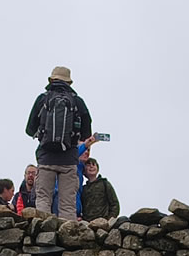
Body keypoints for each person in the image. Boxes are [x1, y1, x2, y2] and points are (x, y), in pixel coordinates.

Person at [24, 66, 93, 219]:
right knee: (68, 203)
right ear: (69, 82)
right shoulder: (77, 101)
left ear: (52, 80)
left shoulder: (42, 99)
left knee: (43, 199)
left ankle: (43, 236)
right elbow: (86, 132)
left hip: (46, 157)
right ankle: (67, 239)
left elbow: (29, 129)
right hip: (69, 160)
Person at [79, 156, 120, 221]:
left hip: (103, 221)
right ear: (84, 171)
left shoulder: (105, 184)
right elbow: (80, 206)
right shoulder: (83, 189)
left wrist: (110, 219)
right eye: (88, 165)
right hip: (87, 223)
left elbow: (114, 203)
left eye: (93, 164)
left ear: (97, 169)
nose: (91, 166)